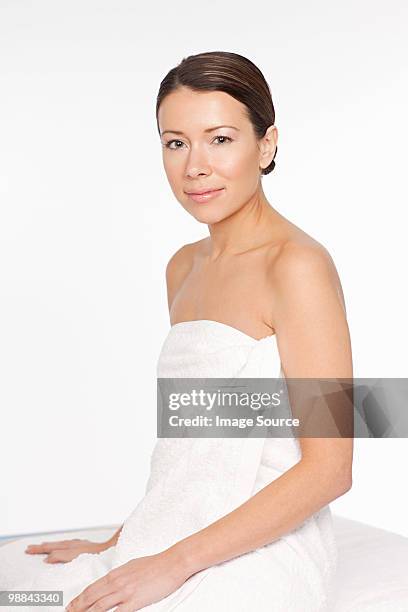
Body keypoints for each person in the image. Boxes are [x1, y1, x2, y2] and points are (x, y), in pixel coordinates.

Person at [0, 51, 353, 612]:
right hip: (178, 531)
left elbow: (331, 470)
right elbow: (197, 447)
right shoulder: (182, 267)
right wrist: (120, 542)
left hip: (266, 547)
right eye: (175, 142)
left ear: (266, 145)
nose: (194, 166)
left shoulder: (299, 265)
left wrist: (173, 564)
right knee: (22, 589)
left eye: (219, 139)